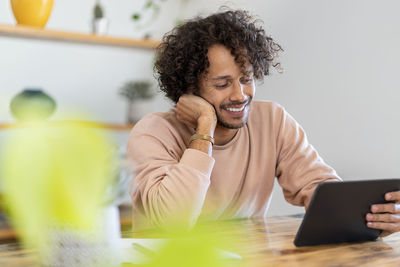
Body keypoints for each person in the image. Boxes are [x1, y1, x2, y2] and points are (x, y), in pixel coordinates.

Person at [127, 9, 400, 235]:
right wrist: (205, 126)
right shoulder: (153, 132)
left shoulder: (273, 120)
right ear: (189, 87)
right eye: (222, 84)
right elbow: (173, 221)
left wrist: (370, 220)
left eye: (246, 79)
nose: (240, 94)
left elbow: (318, 187)